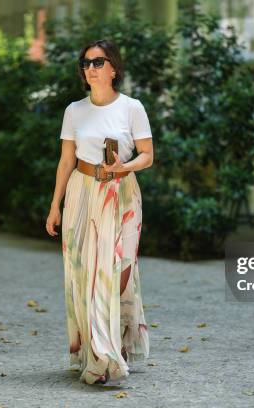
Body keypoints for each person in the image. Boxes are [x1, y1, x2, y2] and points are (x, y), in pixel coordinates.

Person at [46, 39, 154, 386]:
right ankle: (100, 356)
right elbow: (66, 161)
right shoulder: (74, 111)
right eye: (85, 63)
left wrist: (122, 168)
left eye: (97, 62)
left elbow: (147, 156)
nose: (90, 68)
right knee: (86, 277)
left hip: (122, 195)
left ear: (113, 69)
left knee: (119, 272)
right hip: (82, 194)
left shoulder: (132, 108)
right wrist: (54, 205)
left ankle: (116, 343)